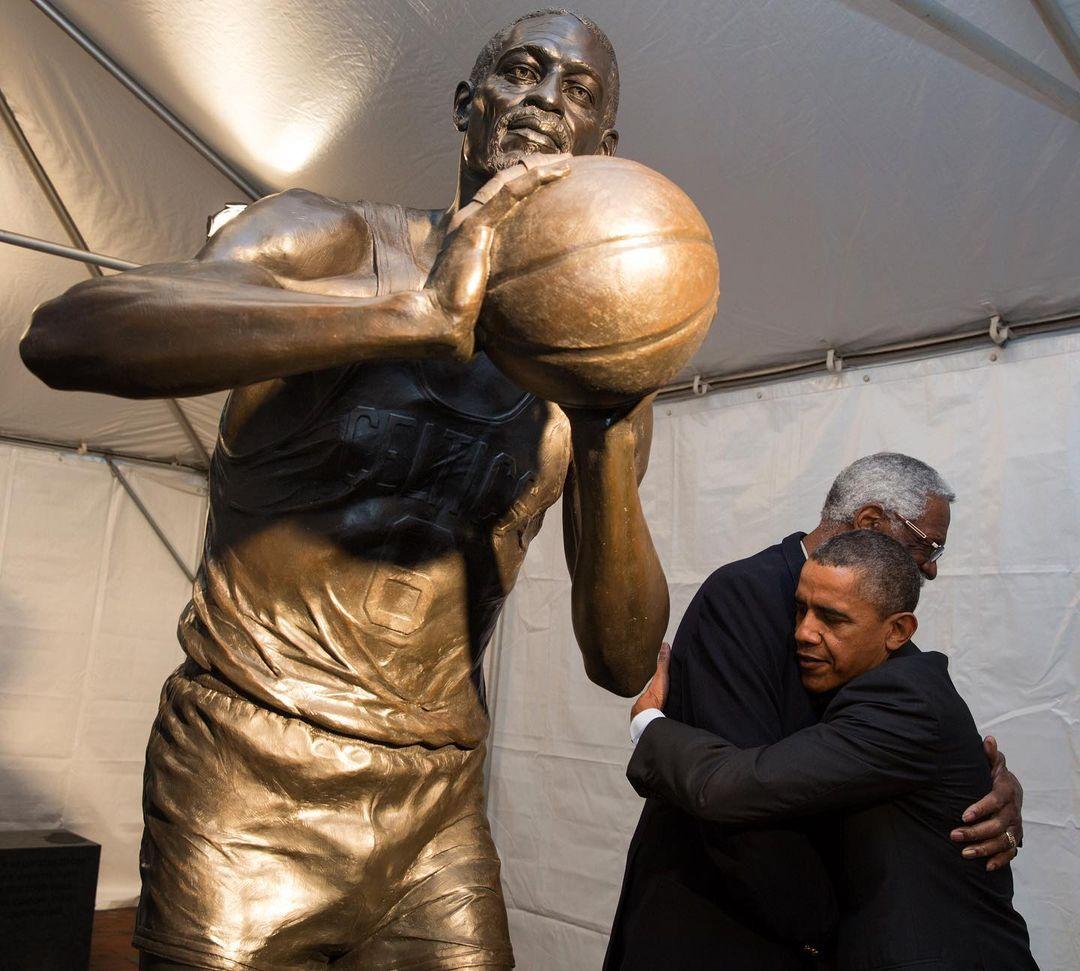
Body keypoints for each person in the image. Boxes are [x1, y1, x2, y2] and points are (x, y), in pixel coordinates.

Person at [21, 10, 668, 971]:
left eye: (576, 91)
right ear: (468, 108)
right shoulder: (330, 238)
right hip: (250, 765)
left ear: (605, 150)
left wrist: (610, 432)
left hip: (436, 797)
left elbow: (621, 661)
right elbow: (70, 333)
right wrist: (404, 314)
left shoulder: (590, 375)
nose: (541, 101)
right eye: (521, 73)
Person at [605, 453, 1024, 970]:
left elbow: (924, 747)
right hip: (721, 926)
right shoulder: (745, 596)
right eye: (929, 543)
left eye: (829, 618)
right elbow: (739, 804)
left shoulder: (886, 638)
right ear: (871, 522)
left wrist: (990, 788)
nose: (933, 565)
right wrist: (820, 929)